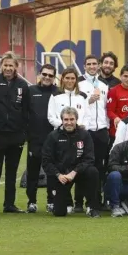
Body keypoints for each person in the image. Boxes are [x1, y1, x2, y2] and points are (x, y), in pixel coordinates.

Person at [0, 52, 29, 213]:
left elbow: (26, 111)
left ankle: (9, 204)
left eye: (11, 65)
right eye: (6, 65)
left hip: (16, 135)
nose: (8, 68)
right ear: (1, 66)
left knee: (12, 171)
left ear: (16, 67)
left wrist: (24, 132)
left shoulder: (23, 85)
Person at [41, 107, 101, 218]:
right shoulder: (53, 136)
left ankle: (92, 207)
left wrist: (74, 172)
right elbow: (46, 161)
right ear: (62, 120)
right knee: (59, 213)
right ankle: (65, 204)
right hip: (62, 175)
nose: (69, 122)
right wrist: (58, 175)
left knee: (93, 171)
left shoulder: (84, 135)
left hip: (79, 172)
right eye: (66, 119)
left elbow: (89, 159)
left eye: (72, 119)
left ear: (76, 120)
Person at [47, 67, 88, 213]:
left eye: (73, 78)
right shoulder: (55, 95)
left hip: (78, 138)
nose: (70, 81)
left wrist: (78, 127)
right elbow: (51, 116)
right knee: (62, 168)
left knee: (79, 168)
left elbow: (86, 116)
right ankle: (65, 201)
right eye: (67, 78)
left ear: (76, 80)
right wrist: (66, 126)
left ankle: (79, 202)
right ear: (62, 79)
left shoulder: (82, 96)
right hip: (61, 139)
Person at [25, 64, 58, 213]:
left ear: (54, 77)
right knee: (33, 172)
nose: (47, 77)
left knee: (52, 172)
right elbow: (24, 114)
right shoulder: (31, 91)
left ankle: (51, 201)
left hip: (53, 140)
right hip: (35, 139)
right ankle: (31, 201)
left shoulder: (58, 92)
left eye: (50, 75)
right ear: (40, 74)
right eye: (45, 74)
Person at [78, 55, 110, 209]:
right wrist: (88, 101)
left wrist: (107, 126)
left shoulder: (104, 84)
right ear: (84, 66)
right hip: (86, 130)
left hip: (101, 130)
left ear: (98, 66)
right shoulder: (79, 83)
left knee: (99, 167)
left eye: (94, 64)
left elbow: (105, 108)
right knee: (83, 165)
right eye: (88, 64)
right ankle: (79, 201)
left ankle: (97, 199)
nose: (92, 66)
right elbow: (76, 105)